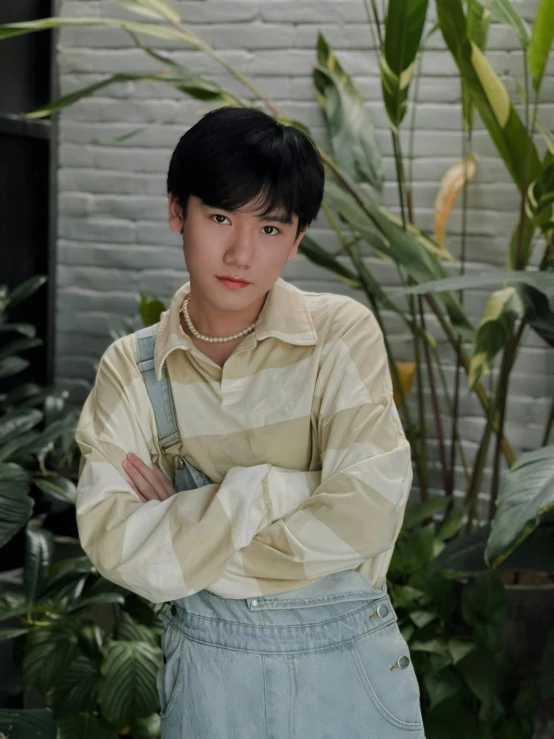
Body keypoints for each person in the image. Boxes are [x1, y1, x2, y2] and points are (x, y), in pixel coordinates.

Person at [74, 105, 424, 738]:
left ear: (297, 236)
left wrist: (192, 518)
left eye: (270, 228)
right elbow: (115, 544)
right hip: (210, 689)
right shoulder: (131, 368)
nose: (241, 252)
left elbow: (368, 512)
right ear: (178, 211)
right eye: (219, 218)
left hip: (349, 682)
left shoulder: (339, 336)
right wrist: (290, 490)